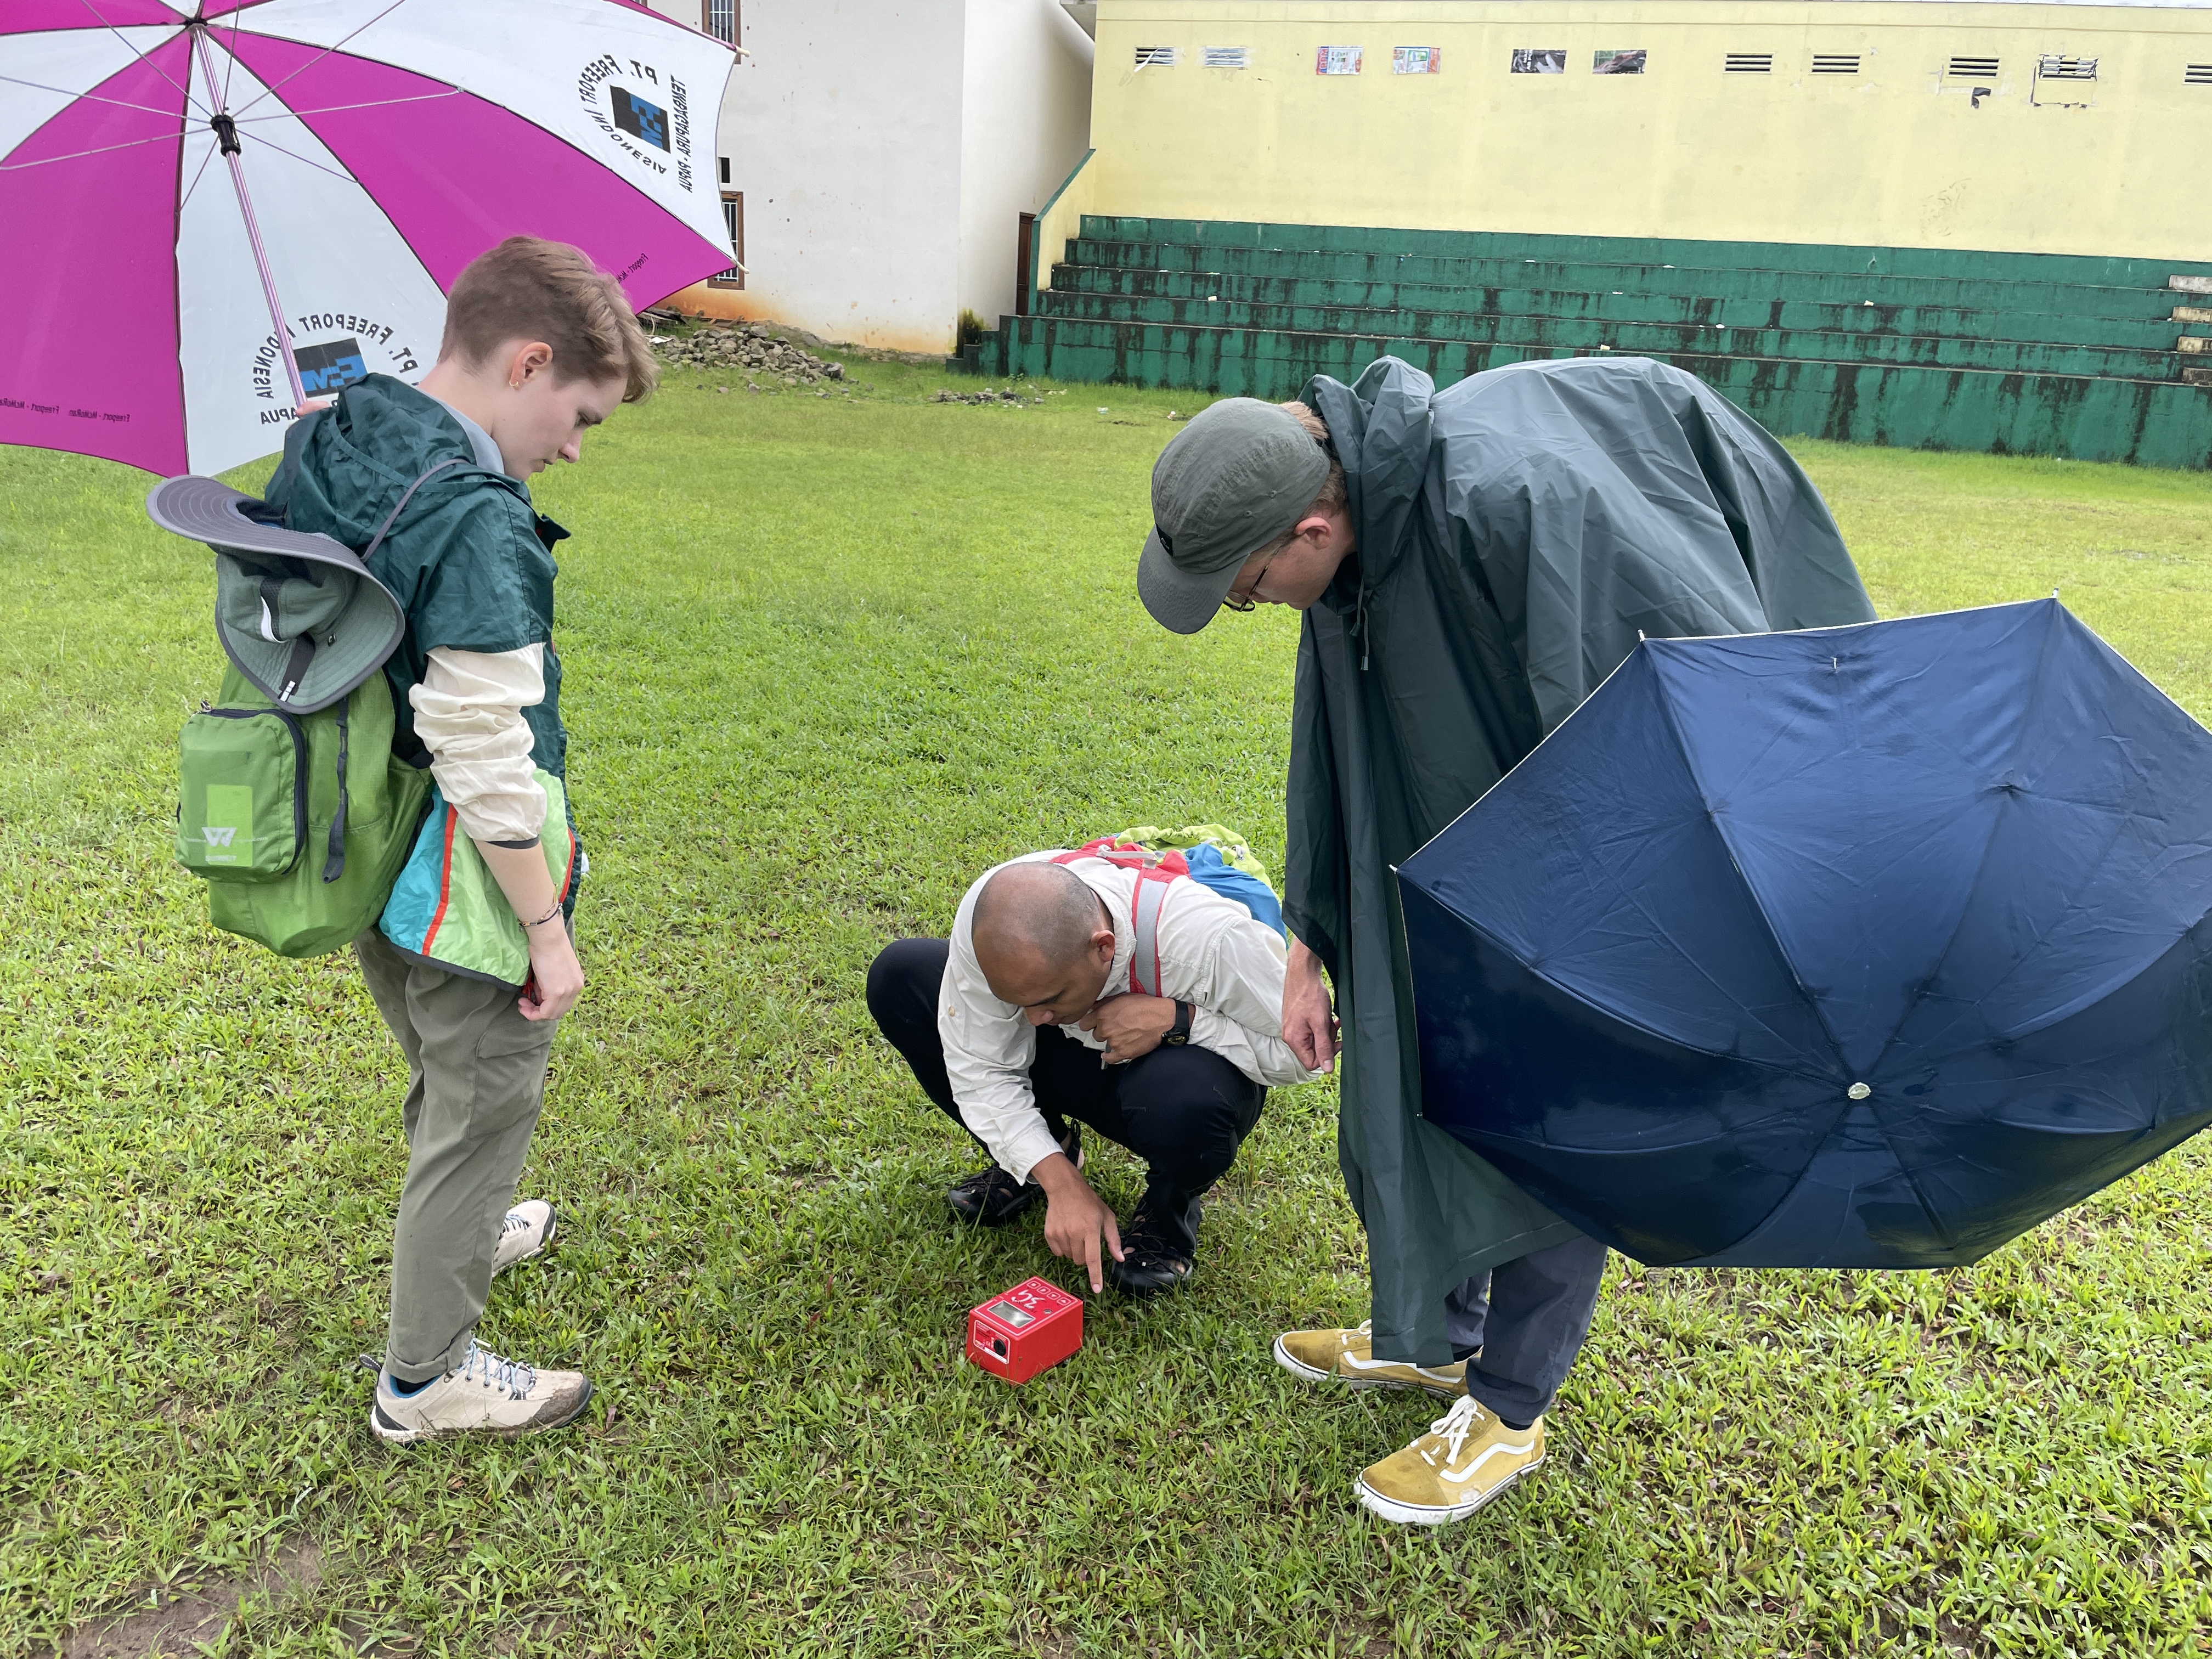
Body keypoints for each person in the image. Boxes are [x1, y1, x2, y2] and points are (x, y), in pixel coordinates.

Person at [1135, 356, 1875, 1524]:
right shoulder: (1342, 551)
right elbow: (1336, 752)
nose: (1251, 605)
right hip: (1451, 849)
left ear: (1314, 523)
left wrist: (1614, 929)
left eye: (1244, 587)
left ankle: (1509, 1408)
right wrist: (1314, 945)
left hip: (1591, 867)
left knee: (1553, 1107)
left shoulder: (1508, 495)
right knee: (1429, 1073)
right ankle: (1439, 1334)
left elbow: (1681, 685)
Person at [261, 236, 658, 1443]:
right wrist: (548, 931)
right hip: (451, 863)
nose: (576, 448)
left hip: (356, 827)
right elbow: (485, 752)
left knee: (442, 1063)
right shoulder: (478, 517)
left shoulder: (340, 423)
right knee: (485, 1090)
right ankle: (424, 1378)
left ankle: (473, 1223)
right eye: (580, 413)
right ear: (530, 360)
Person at [867, 849, 1319, 1294]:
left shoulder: (1212, 941)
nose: (1031, 1020)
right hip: (1080, 1050)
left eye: (1048, 998)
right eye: (1017, 1002)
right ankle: (1043, 1154)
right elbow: (979, 1065)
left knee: (1187, 1097)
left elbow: (1305, 1053)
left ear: (1104, 947)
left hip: (1165, 1078)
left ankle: (1166, 1217)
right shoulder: (988, 915)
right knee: (903, 976)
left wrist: (1180, 1022)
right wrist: (1058, 1178)